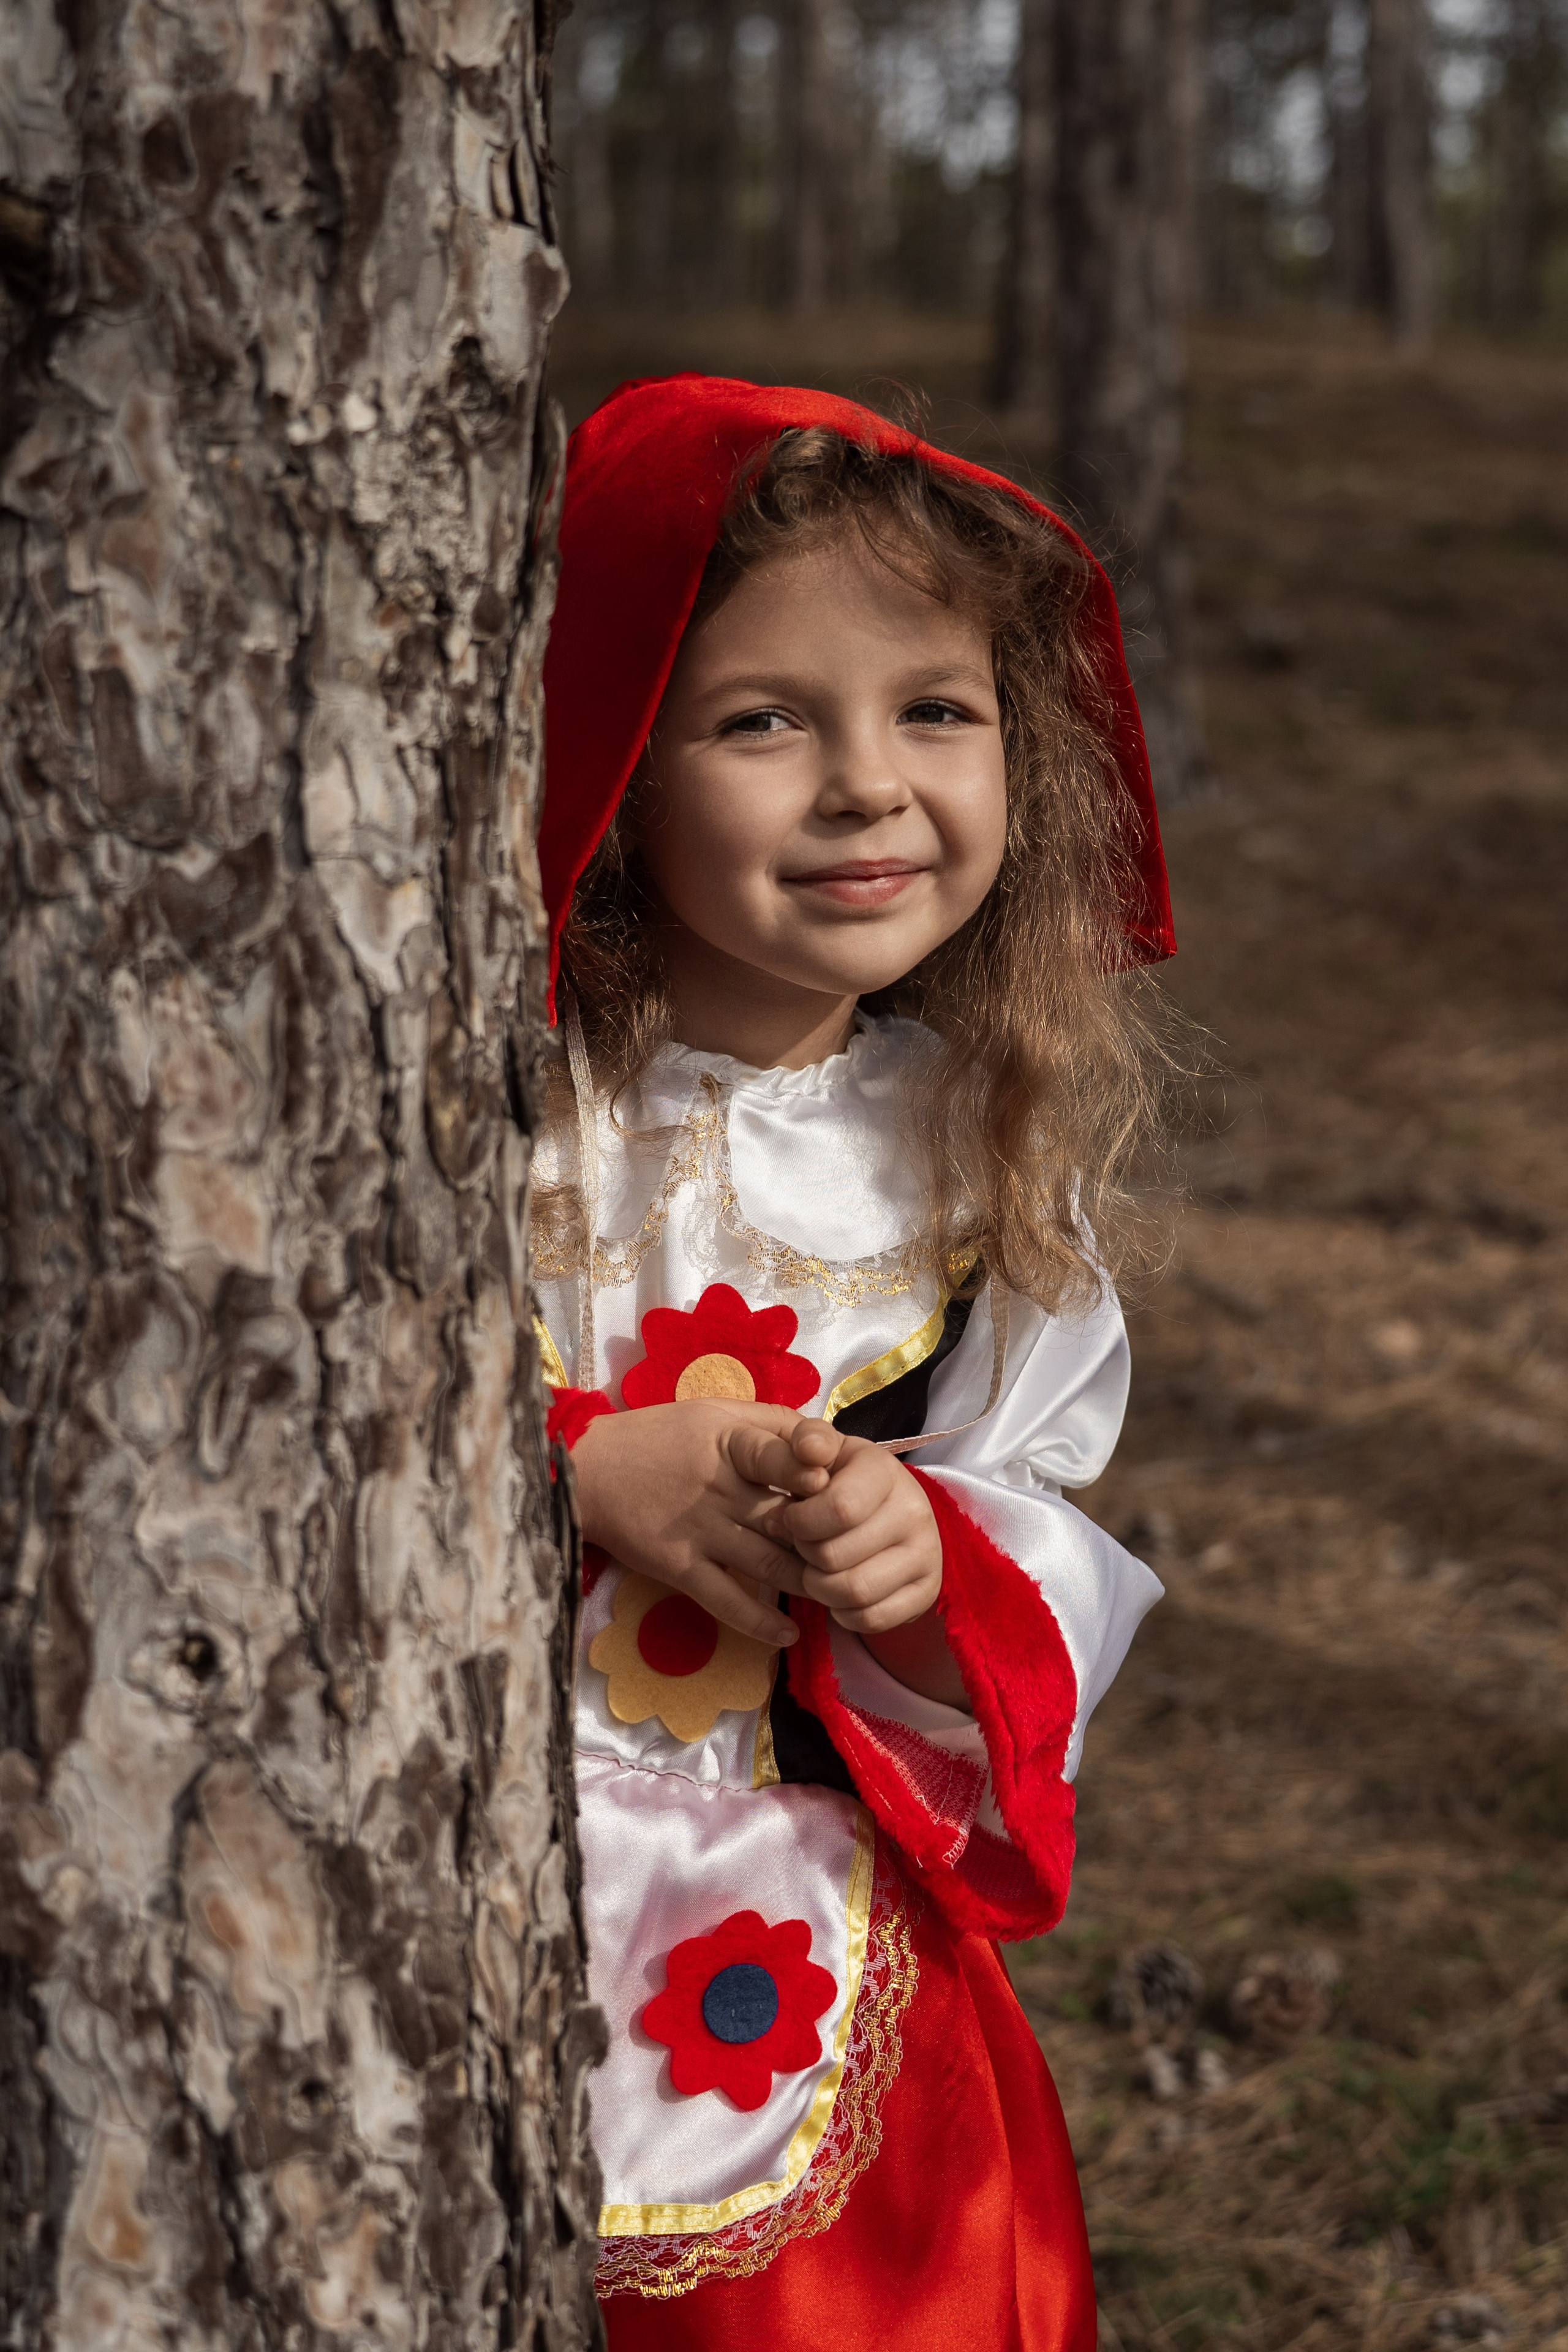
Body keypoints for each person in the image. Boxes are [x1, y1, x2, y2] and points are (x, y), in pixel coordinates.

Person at [531, 374, 1177, 2350]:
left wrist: (918, 1548)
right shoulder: (515, 1114)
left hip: (807, 1941)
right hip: (486, 1859)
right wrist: (568, 1457)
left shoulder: (976, 1158)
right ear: (617, 753)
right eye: (761, 720)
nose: (869, 785)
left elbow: (1033, 1511)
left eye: (934, 709)